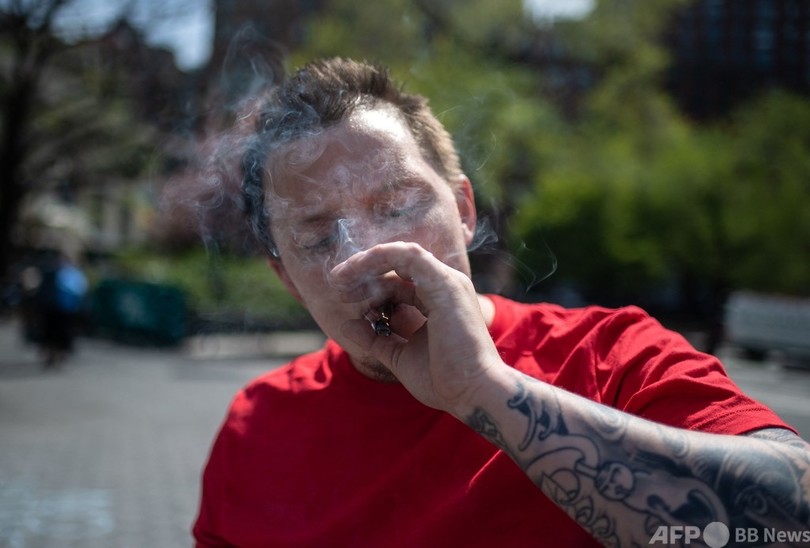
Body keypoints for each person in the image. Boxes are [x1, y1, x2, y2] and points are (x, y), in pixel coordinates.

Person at [193, 58, 810, 547]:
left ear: (464, 210)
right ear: (287, 278)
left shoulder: (611, 357)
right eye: (318, 237)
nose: (369, 253)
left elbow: (792, 520)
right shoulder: (256, 429)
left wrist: (487, 392)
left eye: (398, 206)